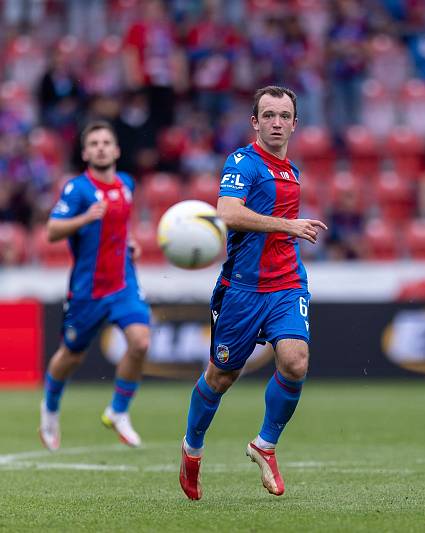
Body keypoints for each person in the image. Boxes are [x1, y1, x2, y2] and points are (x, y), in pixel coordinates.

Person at [179, 86, 328, 500]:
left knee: (295, 362)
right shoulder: (242, 162)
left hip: (286, 282)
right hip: (241, 290)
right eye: (268, 115)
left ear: (295, 123)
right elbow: (226, 213)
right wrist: (288, 226)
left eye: (284, 116)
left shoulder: (291, 170)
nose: (276, 123)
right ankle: (192, 449)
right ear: (255, 122)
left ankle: (265, 444)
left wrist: (288, 232)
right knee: (221, 376)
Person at [38, 121, 151, 451]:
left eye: (106, 142)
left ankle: (118, 411)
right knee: (70, 357)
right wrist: (85, 218)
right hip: (88, 291)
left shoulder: (127, 184)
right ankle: (49, 410)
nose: (101, 147)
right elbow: (52, 231)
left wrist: (130, 244)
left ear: (116, 150)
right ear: (86, 152)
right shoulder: (77, 190)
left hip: (123, 283)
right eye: (94, 143)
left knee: (141, 342)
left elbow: (118, 228)